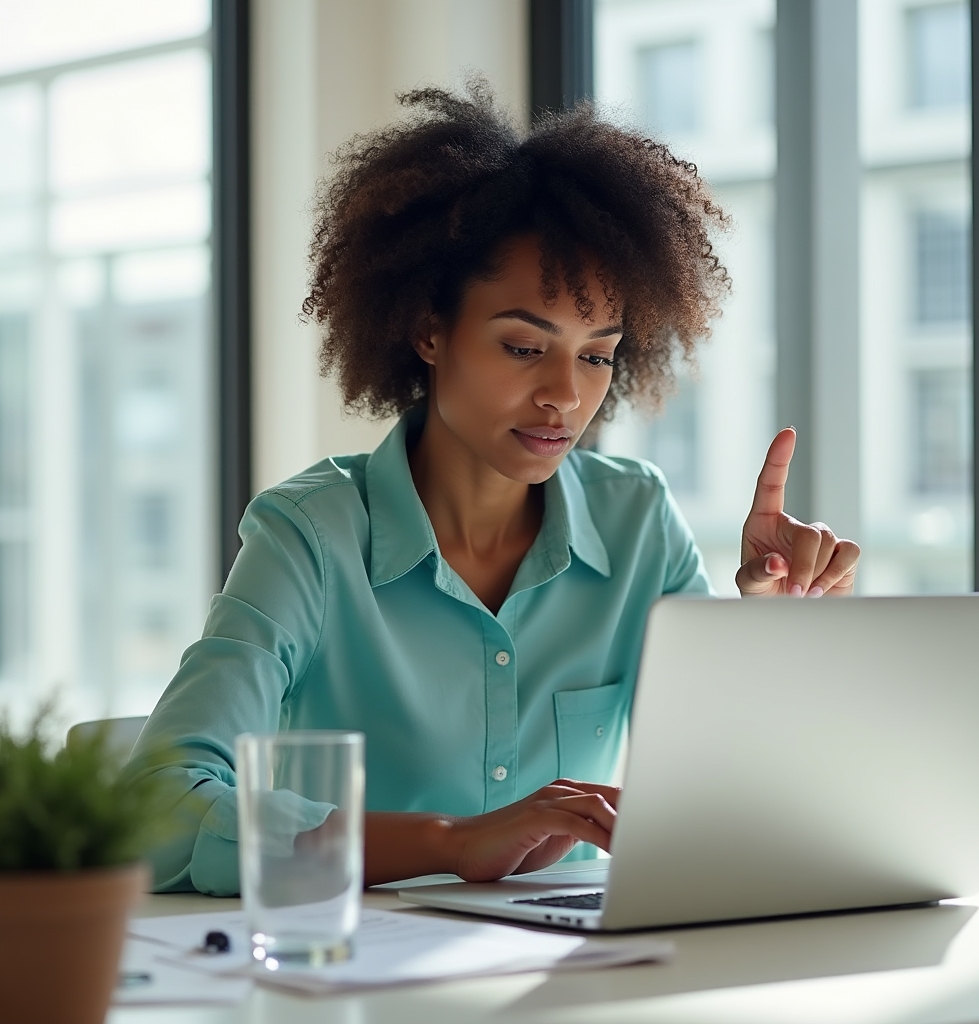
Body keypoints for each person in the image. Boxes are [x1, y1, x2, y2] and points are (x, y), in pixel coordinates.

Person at [123, 84, 860, 896]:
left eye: (596, 355)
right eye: (522, 347)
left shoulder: (637, 519)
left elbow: (725, 790)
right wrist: (451, 841)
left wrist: (771, 627)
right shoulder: (311, 535)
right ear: (430, 330)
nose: (565, 397)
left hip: (571, 973)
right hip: (354, 975)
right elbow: (158, 810)